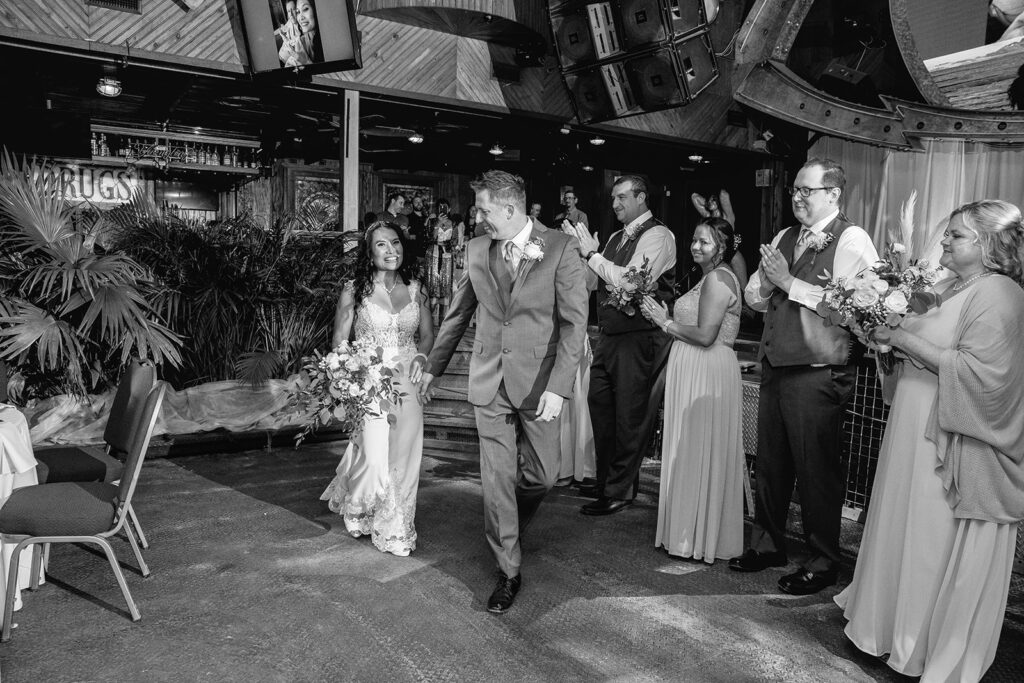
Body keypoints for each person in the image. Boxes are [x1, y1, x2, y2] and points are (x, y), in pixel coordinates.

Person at [836, 200, 1024, 682]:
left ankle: (920, 642)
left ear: (987, 246)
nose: (943, 240)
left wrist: (901, 339)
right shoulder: (942, 284)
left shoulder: (1000, 293)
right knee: (902, 523)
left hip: (949, 437)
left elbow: (984, 376)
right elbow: (920, 351)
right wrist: (883, 342)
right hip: (911, 426)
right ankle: (888, 626)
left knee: (928, 535)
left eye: (956, 236)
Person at [417, 170, 588, 614]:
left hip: (539, 385)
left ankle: (509, 519)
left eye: (484, 209)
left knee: (543, 476)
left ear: (510, 209)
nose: (478, 217)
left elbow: (574, 326)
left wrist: (559, 388)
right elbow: (457, 315)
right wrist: (434, 368)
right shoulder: (477, 249)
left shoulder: (562, 248)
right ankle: (508, 571)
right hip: (489, 381)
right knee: (495, 482)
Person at [731, 158, 878, 594]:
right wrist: (767, 283)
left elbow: (859, 307)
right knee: (770, 466)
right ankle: (768, 544)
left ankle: (822, 560)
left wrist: (787, 282)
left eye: (806, 190)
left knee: (816, 471)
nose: (796, 196)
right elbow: (755, 297)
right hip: (777, 364)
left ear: (833, 195)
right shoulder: (785, 235)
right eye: (794, 189)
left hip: (818, 370)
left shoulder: (853, 240)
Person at [320, 221, 435, 557]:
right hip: (369, 378)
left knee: (405, 454)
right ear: (369, 252)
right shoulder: (354, 289)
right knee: (371, 452)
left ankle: (396, 527)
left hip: (408, 379)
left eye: (396, 243)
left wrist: (423, 357)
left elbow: (427, 334)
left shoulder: (417, 288)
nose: (391, 251)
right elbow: (341, 339)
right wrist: (341, 375)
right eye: (382, 245)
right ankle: (359, 503)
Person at [566, 175, 677, 515]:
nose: (615, 204)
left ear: (642, 197)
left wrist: (594, 255)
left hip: (641, 336)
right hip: (611, 334)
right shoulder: (614, 237)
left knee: (630, 414)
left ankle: (620, 490)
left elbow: (631, 281)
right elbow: (594, 281)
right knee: (600, 405)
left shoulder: (659, 235)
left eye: (622, 198)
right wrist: (582, 256)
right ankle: (605, 482)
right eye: (613, 198)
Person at [639, 217, 744, 563]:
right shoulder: (708, 278)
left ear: (722, 247)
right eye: (695, 240)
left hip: (707, 370)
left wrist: (664, 322)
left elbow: (705, 335)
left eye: (705, 242)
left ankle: (695, 536)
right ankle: (688, 530)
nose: (696, 247)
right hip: (697, 368)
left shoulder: (717, 279)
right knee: (692, 448)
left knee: (699, 448)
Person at [691, 189, 748, 290]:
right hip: (715, 255)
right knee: (712, 285)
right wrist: (708, 202)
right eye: (710, 200)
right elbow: (694, 196)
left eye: (714, 200)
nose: (711, 202)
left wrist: (716, 193)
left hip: (731, 253)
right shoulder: (708, 217)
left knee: (743, 288)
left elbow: (723, 194)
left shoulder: (727, 216)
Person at [277, 0, 324, 67]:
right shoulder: (290, 22)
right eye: (298, 11)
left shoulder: (304, 38)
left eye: (305, 9)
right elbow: (284, 28)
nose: (291, 14)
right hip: (281, 56)